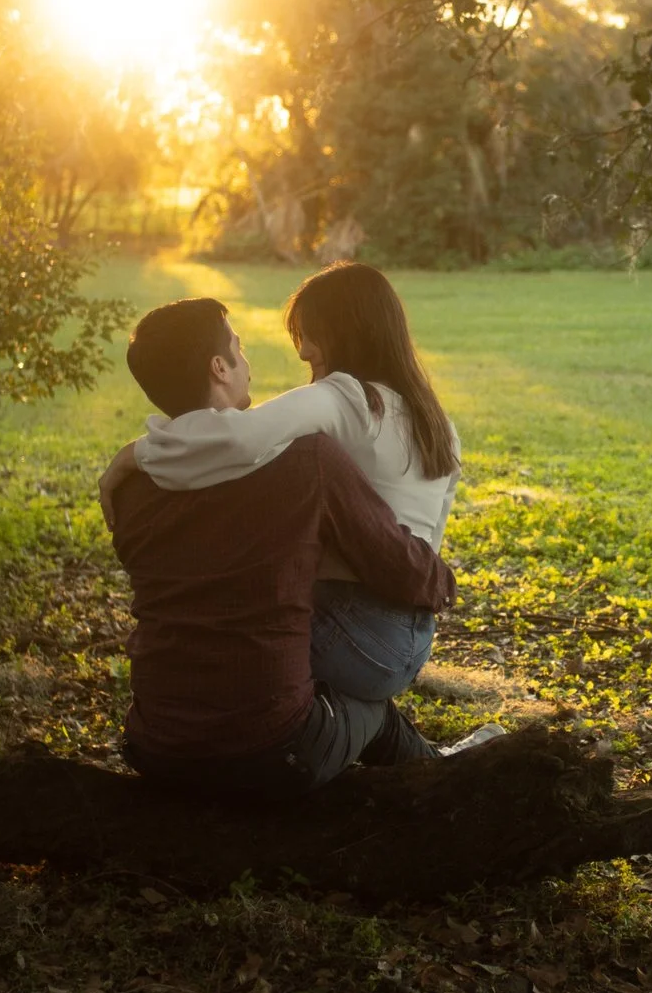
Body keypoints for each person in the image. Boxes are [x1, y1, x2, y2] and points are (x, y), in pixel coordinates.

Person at [101, 296, 451, 798]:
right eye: (239, 349)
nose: (248, 363)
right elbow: (395, 560)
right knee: (373, 705)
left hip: (155, 743)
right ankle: (446, 780)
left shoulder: (128, 489)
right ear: (219, 368)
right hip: (271, 750)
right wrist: (443, 583)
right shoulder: (306, 461)